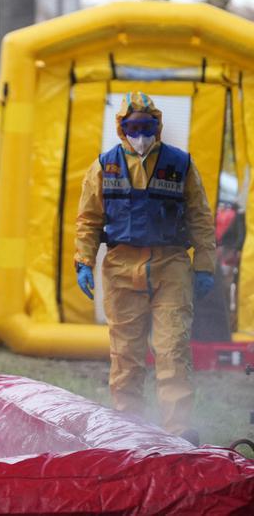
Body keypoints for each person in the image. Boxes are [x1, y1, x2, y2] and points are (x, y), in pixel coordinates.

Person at [74, 91, 216, 442]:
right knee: (125, 353)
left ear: (158, 126)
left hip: (170, 265)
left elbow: (200, 217)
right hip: (121, 265)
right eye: (133, 127)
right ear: (121, 128)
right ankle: (126, 430)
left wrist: (205, 265)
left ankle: (179, 430)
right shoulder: (103, 166)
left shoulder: (180, 164)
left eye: (147, 126)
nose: (141, 135)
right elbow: (88, 220)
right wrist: (84, 261)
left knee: (172, 349)